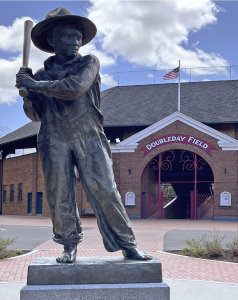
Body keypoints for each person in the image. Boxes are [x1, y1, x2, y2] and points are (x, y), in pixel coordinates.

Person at [15, 7, 152, 263]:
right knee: (59, 193)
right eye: (69, 37)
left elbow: (75, 88)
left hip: (88, 135)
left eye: (79, 37)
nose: (76, 42)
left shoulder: (89, 62)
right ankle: (68, 245)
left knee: (105, 190)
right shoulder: (42, 75)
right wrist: (27, 93)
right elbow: (36, 115)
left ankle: (127, 244)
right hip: (53, 138)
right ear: (53, 40)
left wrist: (36, 85)